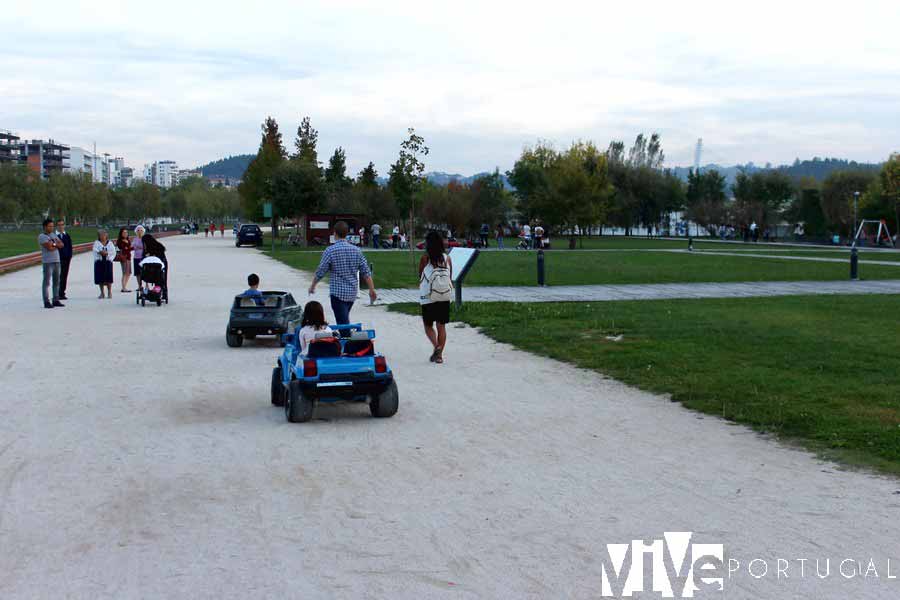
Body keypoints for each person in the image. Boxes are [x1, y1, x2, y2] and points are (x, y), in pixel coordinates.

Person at [309, 220, 377, 324]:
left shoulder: (330, 250)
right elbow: (366, 272)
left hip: (337, 294)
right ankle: (346, 336)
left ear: (334, 233)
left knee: (343, 325)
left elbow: (321, 271)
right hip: (351, 293)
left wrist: (313, 285)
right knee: (343, 319)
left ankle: (350, 338)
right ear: (347, 234)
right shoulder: (357, 250)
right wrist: (371, 290)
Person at [418, 230, 453, 364]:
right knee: (441, 326)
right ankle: (439, 356)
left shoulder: (425, 258)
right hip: (443, 295)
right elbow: (450, 276)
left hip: (428, 295)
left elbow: (420, 274)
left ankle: (436, 346)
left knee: (428, 325)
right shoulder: (447, 258)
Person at [38, 218, 65, 308]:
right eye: (50, 226)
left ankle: (56, 299)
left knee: (56, 281)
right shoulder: (42, 236)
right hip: (48, 262)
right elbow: (49, 247)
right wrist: (55, 244)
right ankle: (46, 301)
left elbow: (61, 244)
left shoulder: (53, 235)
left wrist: (54, 244)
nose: (52, 228)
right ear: (45, 227)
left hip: (57, 260)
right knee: (46, 282)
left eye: (53, 226)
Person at [142, 233, 168, 298]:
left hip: (160, 264)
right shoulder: (146, 248)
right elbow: (143, 256)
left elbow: (161, 255)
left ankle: (163, 292)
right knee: (155, 276)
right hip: (150, 265)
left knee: (162, 277)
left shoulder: (158, 246)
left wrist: (152, 254)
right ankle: (156, 291)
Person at [92, 229, 116, 299]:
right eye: (101, 235)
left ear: (106, 235)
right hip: (99, 262)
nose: (102, 236)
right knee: (100, 277)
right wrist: (100, 252)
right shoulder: (96, 243)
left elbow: (113, 252)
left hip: (108, 262)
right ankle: (102, 293)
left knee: (109, 277)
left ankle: (109, 292)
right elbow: (94, 250)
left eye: (104, 235)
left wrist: (108, 255)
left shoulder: (110, 243)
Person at [55, 219, 73, 300]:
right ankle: (56, 293)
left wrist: (69, 256)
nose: (61, 226)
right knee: (57, 276)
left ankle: (62, 293)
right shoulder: (54, 236)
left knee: (64, 276)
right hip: (57, 259)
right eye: (59, 225)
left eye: (62, 225)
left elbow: (70, 247)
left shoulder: (67, 235)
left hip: (66, 259)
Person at [115, 228, 133, 293]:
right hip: (123, 258)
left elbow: (128, 248)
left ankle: (124, 286)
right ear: (121, 233)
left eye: (126, 232)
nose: (125, 234)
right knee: (125, 273)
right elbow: (124, 249)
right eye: (124, 232)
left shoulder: (128, 240)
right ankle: (123, 287)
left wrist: (129, 248)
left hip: (128, 257)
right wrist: (130, 248)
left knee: (129, 273)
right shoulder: (120, 241)